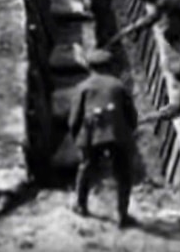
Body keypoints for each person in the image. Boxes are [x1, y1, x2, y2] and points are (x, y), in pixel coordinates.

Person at [69, 48, 139, 228]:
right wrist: (129, 132)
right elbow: (131, 114)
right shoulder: (118, 85)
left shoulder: (82, 87)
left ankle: (81, 205)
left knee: (86, 167)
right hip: (118, 133)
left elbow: (75, 118)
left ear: (90, 67)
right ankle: (122, 215)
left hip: (91, 134)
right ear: (109, 66)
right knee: (123, 173)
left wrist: (77, 137)